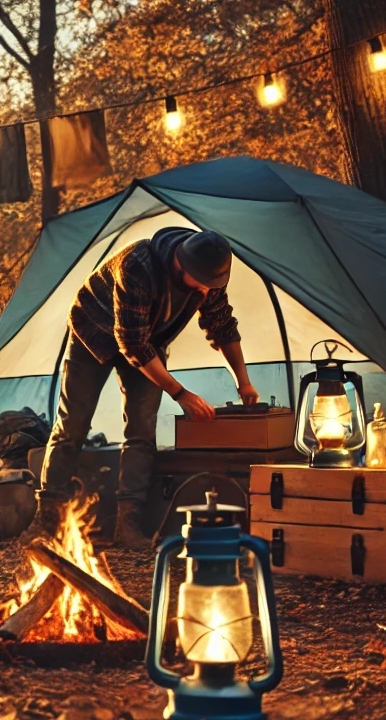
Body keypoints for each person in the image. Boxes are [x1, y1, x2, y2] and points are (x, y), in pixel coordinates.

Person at [37, 227, 258, 549]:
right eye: (200, 283)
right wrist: (181, 393)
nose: (205, 290)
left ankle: (128, 525)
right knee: (73, 423)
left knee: (142, 430)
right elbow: (131, 344)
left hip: (147, 339)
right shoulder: (137, 265)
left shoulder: (210, 275)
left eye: (212, 285)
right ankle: (46, 521)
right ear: (181, 265)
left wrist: (244, 382)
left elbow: (222, 326)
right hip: (93, 332)